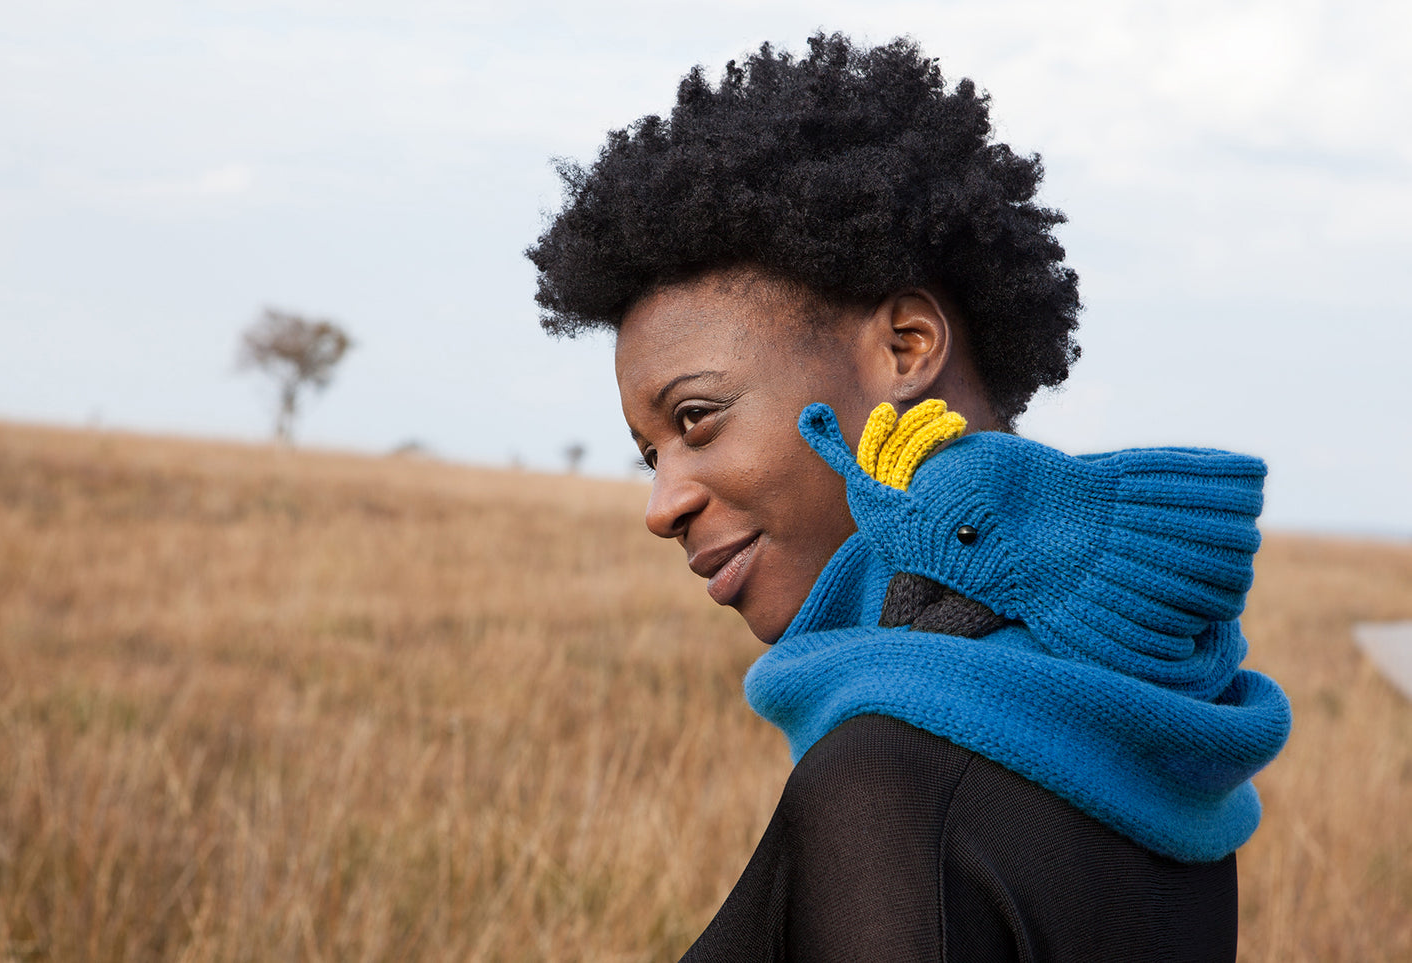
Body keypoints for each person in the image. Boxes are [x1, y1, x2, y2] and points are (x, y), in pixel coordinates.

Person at [526, 33, 1291, 961]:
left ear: (904, 347)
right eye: (648, 453)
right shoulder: (1136, 717)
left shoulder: (892, 778)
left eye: (696, 418)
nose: (661, 503)